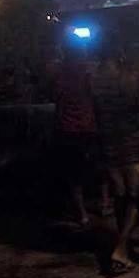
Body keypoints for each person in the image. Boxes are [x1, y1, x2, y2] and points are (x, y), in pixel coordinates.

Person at [92, 34, 139, 276]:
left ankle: (122, 245)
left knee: (119, 196)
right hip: (132, 140)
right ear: (120, 53)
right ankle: (121, 247)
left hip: (107, 141)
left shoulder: (94, 79)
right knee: (135, 196)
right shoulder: (130, 76)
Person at [52, 44, 97, 227]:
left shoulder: (60, 77)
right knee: (96, 168)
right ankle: (102, 203)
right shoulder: (87, 76)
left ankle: (82, 213)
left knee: (74, 174)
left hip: (68, 129)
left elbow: (57, 101)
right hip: (88, 127)